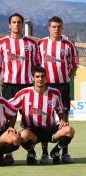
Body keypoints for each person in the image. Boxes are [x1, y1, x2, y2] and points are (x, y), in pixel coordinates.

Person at [0, 13, 40, 164]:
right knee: (8, 120)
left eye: (19, 22)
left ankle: (31, 151)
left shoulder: (32, 44)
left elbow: (36, 66)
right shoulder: (1, 44)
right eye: (13, 22)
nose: (16, 25)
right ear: (9, 25)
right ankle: (9, 152)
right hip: (9, 86)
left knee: (29, 118)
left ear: (22, 25)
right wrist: (9, 77)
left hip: (26, 86)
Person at [10, 66, 75, 165]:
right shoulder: (24, 93)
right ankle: (31, 153)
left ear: (46, 78)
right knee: (22, 136)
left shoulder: (55, 93)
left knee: (69, 130)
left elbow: (60, 109)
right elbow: (9, 106)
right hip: (32, 130)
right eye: (37, 76)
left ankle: (55, 151)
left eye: (42, 76)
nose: (40, 79)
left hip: (50, 129)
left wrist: (62, 119)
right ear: (32, 78)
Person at [38, 16, 79, 164]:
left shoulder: (68, 45)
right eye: (53, 26)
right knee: (45, 118)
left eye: (59, 26)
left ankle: (64, 152)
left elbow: (74, 65)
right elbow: (37, 64)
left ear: (62, 28)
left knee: (64, 119)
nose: (56, 29)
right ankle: (44, 152)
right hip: (46, 87)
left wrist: (64, 77)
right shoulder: (41, 44)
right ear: (49, 28)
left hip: (62, 86)